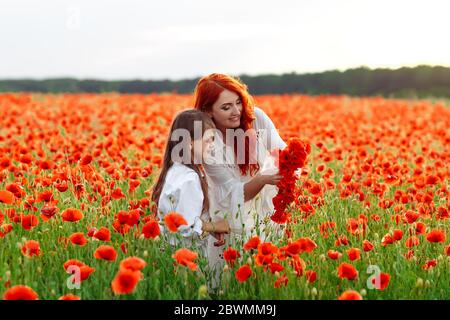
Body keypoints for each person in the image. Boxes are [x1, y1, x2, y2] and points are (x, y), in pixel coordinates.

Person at [193, 73, 287, 277]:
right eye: (226, 107)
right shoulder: (207, 144)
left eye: (238, 102)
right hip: (230, 220)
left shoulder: (256, 118)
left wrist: (287, 171)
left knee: (268, 277)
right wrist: (262, 178)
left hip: (266, 214)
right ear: (208, 111)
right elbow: (234, 194)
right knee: (230, 280)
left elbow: (282, 152)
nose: (236, 111)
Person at [151, 109, 230, 257]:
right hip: (186, 258)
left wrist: (208, 229)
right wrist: (214, 226)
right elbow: (185, 227)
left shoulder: (174, 170)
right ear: (190, 143)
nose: (213, 145)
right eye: (208, 140)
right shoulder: (190, 179)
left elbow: (181, 218)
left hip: (170, 253)